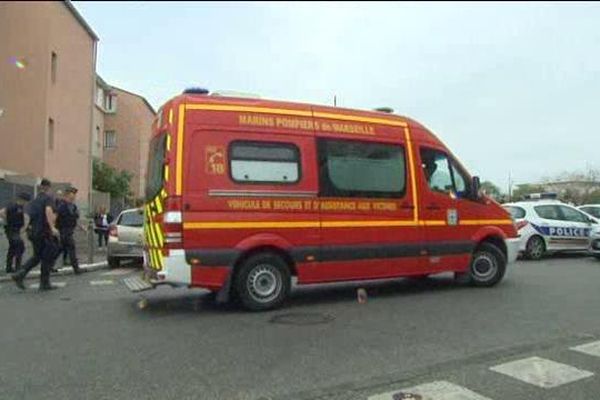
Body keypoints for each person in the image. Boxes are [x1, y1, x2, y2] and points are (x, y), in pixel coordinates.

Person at [12, 178, 61, 291]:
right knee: (48, 256)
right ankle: (44, 283)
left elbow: (26, 216)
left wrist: (25, 228)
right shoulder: (48, 199)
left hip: (34, 233)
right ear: (48, 188)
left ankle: (20, 274)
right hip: (44, 232)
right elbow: (48, 211)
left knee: (37, 256)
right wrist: (52, 227)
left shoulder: (33, 201)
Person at [56, 187, 87, 275]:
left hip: (69, 230)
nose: (73, 196)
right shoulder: (62, 206)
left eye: (74, 194)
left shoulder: (73, 206)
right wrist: (53, 228)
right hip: (63, 230)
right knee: (71, 248)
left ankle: (48, 266)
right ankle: (76, 269)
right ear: (67, 195)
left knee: (59, 249)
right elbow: (55, 217)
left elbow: (75, 219)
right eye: (72, 194)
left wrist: (82, 227)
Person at [0, 192, 31, 273]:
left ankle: (9, 267)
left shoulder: (19, 207)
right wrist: (8, 220)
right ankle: (17, 267)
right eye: (26, 201)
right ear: (22, 200)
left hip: (15, 229)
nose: (26, 203)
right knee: (20, 246)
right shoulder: (13, 206)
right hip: (12, 229)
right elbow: (2, 212)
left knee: (13, 248)